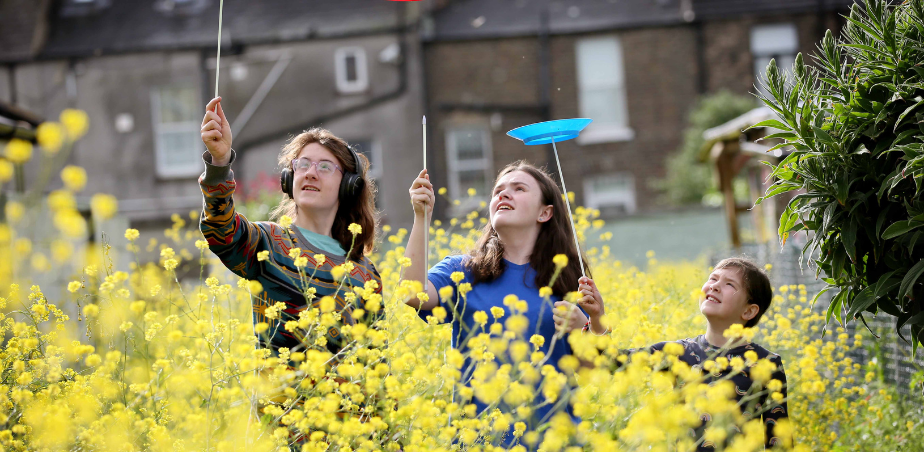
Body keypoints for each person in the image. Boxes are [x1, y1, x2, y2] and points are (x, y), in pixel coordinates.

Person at [402, 160, 594, 447]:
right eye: (498, 191)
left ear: (545, 212)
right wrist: (421, 218)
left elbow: (590, 372)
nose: (504, 194)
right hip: (483, 441)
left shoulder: (568, 278)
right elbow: (412, 293)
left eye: (518, 189)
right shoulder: (464, 271)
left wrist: (586, 328)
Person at [198, 96, 383, 357]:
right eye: (303, 164)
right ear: (289, 179)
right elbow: (221, 228)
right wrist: (219, 162)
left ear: (348, 186)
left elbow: (378, 362)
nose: (310, 173)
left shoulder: (364, 272)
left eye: (326, 167)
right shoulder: (269, 242)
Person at [563, 257, 790, 450]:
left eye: (730, 284)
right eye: (712, 278)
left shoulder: (767, 364)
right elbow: (612, 364)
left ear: (749, 311)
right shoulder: (677, 353)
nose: (715, 286)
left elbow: (780, 441)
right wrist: (598, 318)